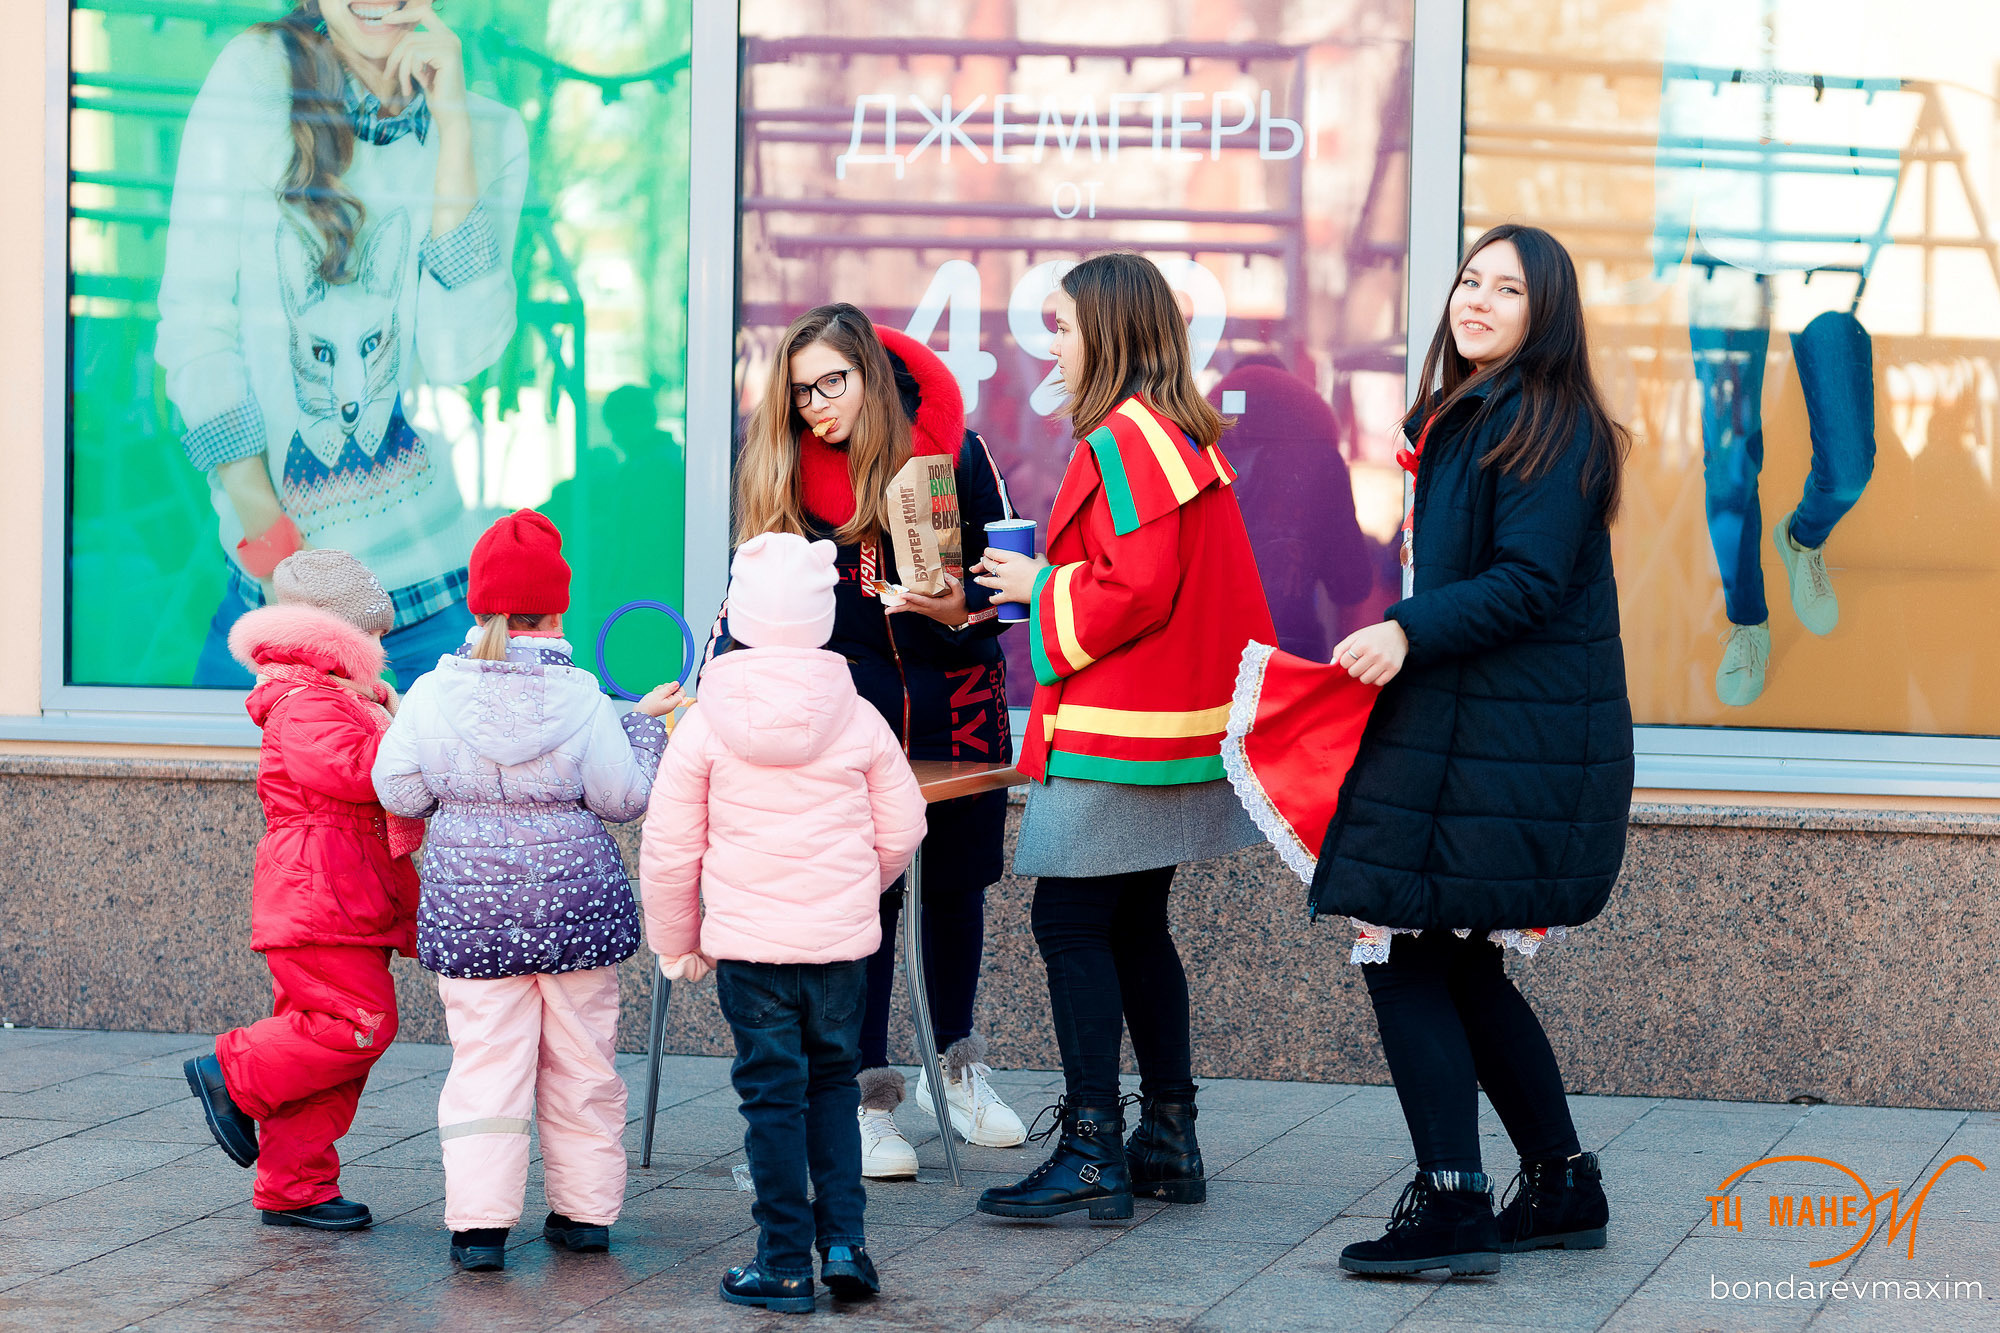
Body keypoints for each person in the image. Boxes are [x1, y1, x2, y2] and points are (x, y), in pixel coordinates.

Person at [1311, 224, 1632, 1277]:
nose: (1478, 300)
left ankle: (1451, 1201)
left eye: (1507, 288)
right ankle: (1557, 1182)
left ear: (1547, 313)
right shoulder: (1483, 411)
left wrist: (1408, 629)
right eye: (1469, 280)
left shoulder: (1539, 420)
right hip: (1481, 732)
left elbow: (1528, 582)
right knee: (1453, 959)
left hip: (1493, 737)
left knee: (1403, 948)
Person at [972, 252, 1275, 1221]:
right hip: (1163, 723)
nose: (1048, 343)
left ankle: (1095, 1146)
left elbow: (1132, 587)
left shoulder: (1125, 436)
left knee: (1069, 924)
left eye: (1059, 324)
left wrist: (1036, 589)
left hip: (1117, 727)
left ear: (1105, 331)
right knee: (1134, 925)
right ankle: (1165, 1135)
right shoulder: (1171, 431)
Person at [725, 304, 1026, 1178]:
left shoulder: (958, 450)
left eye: (833, 383)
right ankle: (867, 1091)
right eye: (801, 392)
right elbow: (747, 596)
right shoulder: (783, 470)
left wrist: (956, 609)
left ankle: (957, 1067)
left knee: (959, 885)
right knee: (868, 896)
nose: (817, 406)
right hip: (846, 713)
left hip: (960, 698)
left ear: (872, 373)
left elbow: (1008, 591)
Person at [156, 0, 528, 691]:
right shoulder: (256, 78)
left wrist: (451, 134)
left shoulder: (489, 133)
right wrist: (277, 565)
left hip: (432, 610)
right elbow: (195, 328)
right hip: (276, 593)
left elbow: (457, 356)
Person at [371, 509, 682, 1273]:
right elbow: (623, 798)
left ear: (479, 606)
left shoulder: (434, 692)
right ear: (558, 607)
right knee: (584, 1063)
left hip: (472, 918)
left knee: (485, 1064)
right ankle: (583, 1216)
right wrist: (643, 728)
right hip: (575, 914)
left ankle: (479, 1230)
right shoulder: (580, 695)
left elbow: (397, 788)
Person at [640, 533, 929, 1312]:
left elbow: (670, 849)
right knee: (834, 1086)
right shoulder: (860, 714)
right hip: (838, 954)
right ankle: (844, 1244)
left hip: (750, 953)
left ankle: (781, 1262)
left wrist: (677, 941)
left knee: (770, 1097)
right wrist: (857, 888)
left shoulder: (704, 722)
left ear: (737, 616)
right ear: (824, 618)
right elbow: (903, 825)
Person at [182, 548, 420, 1233]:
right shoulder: (306, 700)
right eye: (371, 632)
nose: (382, 645)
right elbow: (358, 772)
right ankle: (232, 1071)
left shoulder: (342, 698)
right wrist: (419, 741)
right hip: (324, 897)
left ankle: (295, 1184)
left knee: (320, 1051)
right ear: (336, 635)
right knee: (356, 1026)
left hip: (343, 894)